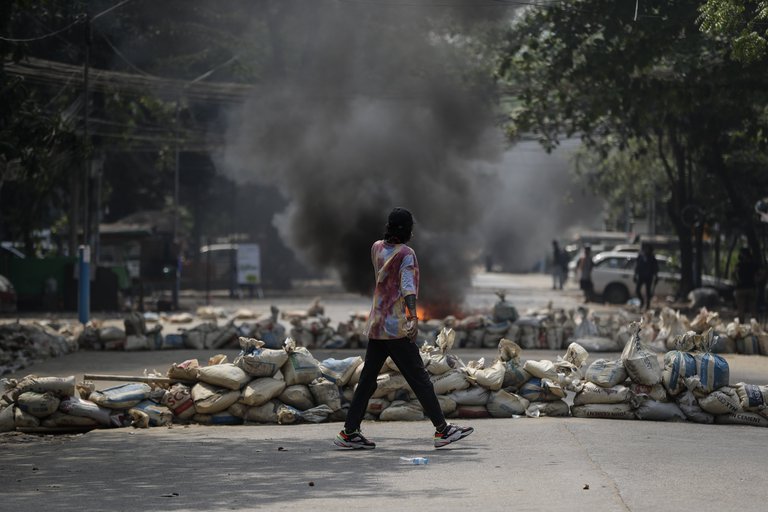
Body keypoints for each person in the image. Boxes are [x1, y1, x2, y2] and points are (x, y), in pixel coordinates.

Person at [334, 207, 474, 450]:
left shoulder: (376, 247)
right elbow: (407, 287)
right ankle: (442, 430)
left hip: (377, 323)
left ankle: (349, 432)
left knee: (367, 379)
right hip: (396, 327)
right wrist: (413, 318)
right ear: (408, 230)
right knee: (419, 377)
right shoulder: (406, 254)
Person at [734, 247, 758, 321]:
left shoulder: (739, 265)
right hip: (751, 288)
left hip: (740, 288)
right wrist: (757, 281)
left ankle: (741, 328)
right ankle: (756, 327)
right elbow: (761, 274)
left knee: (741, 310)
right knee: (753, 309)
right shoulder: (753, 265)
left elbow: (734, 274)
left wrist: (738, 280)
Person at [633, 243, 659, 310]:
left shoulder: (652, 257)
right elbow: (637, 266)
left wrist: (656, 276)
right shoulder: (640, 256)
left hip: (649, 276)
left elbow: (655, 268)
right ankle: (642, 302)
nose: (646, 250)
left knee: (648, 292)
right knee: (637, 290)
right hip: (641, 276)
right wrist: (635, 275)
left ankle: (647, 305)